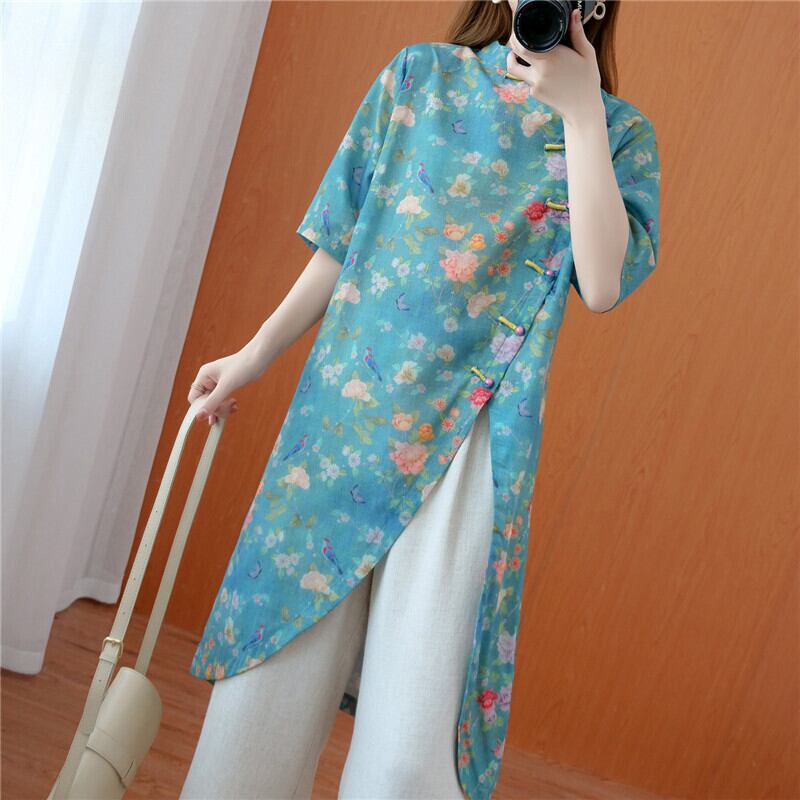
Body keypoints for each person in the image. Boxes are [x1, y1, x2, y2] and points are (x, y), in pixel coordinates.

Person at [180, 0, 661, 798]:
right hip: (348, 416)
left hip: (475, 439)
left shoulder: (619, 135)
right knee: (259, 709)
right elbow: (344, 240)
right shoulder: (419, 76)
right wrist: (253, 356)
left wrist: (581, 112)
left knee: (409, 751)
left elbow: (604, 284)